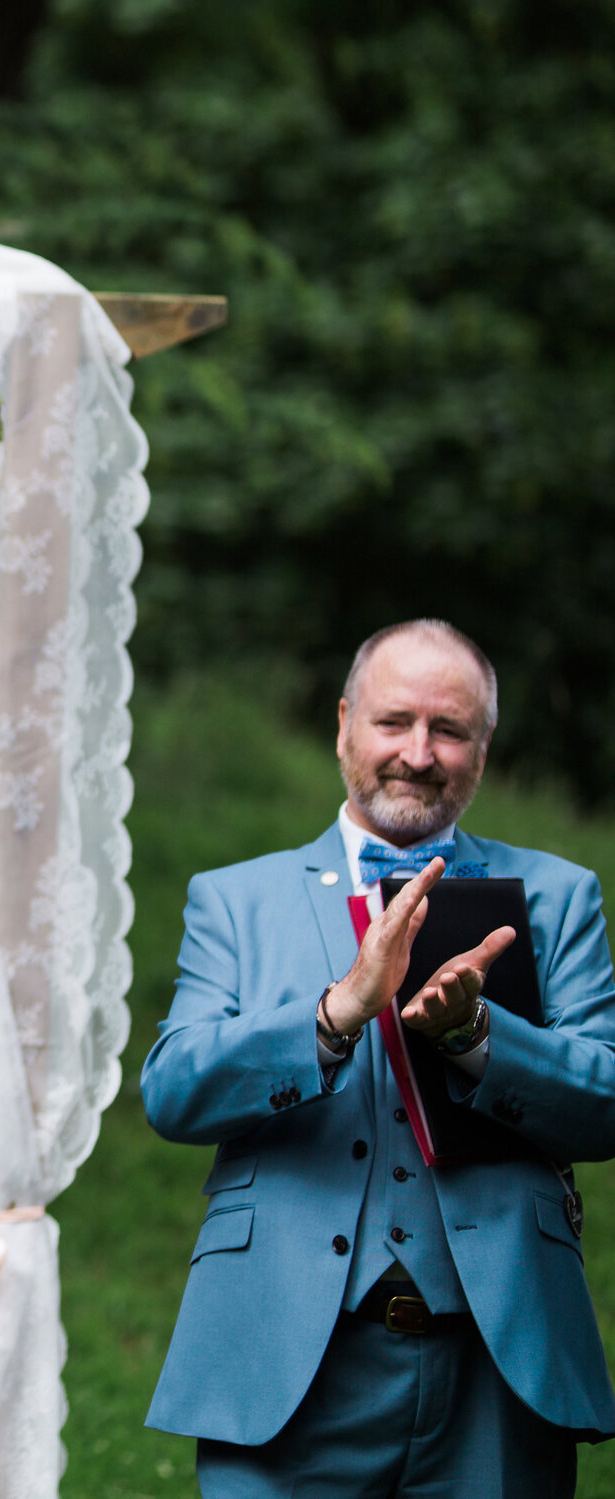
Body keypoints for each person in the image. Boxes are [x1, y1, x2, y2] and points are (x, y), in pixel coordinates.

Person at [143, 618, 615, 1495]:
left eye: (451, 729)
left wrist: (480, 1042)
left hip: (497, 1364)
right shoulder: (235, 900)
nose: (420, 753)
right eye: (394, 721)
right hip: (283, 1359)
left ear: (483, 747)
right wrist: (332, 1014)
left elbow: (607, 1101)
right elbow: (173, 1091)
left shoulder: (558, 895)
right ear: (343, 726)